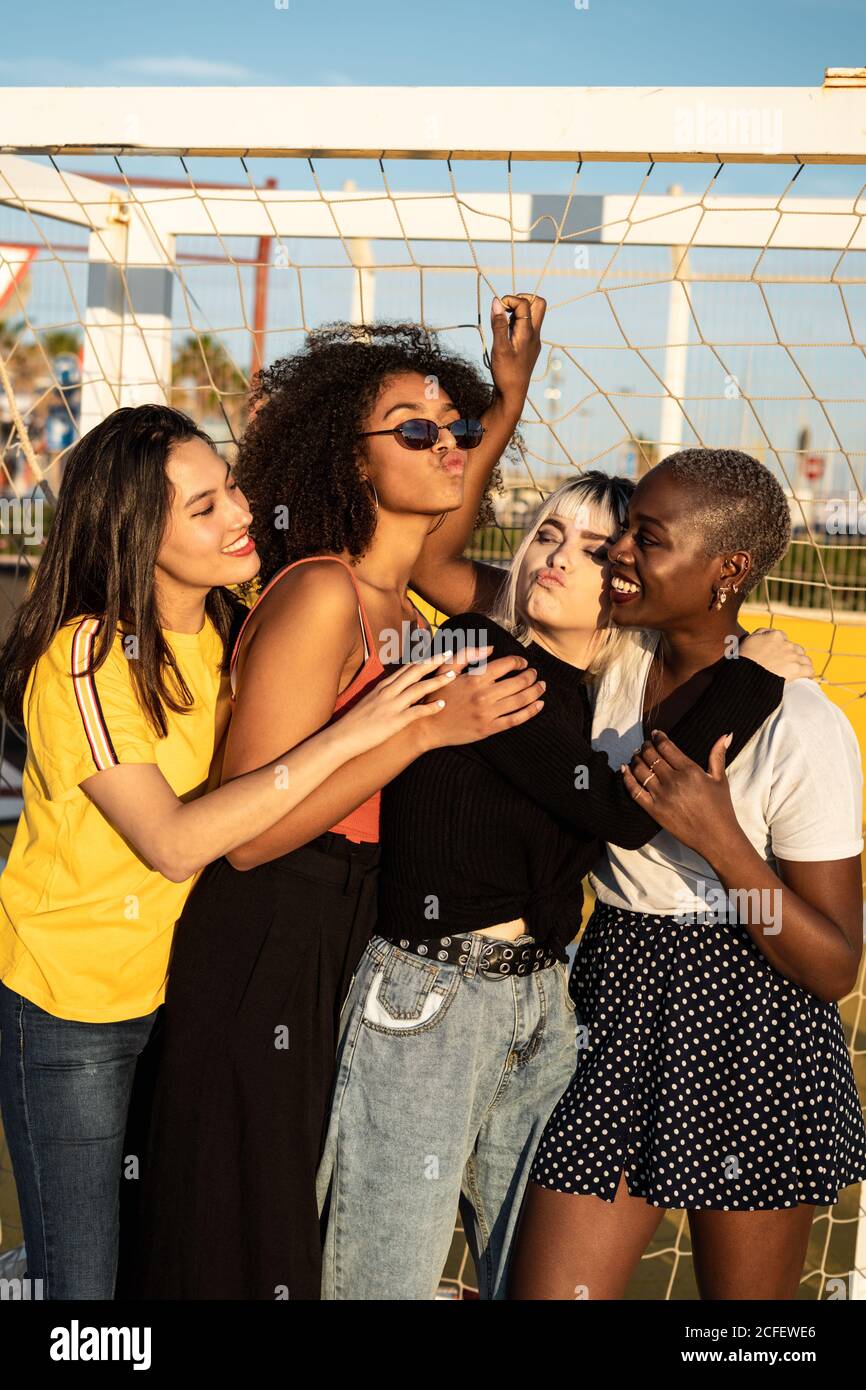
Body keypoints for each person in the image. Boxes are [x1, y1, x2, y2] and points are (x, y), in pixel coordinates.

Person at [129, 297, 551, 1300]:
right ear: (354, 461)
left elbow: (517, 574)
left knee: (309, 1233)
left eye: (457, 428)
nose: (448, 443)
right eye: (415, 430)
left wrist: (508, 395)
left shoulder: (408, 604)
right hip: (271, 937)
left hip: (356, 930)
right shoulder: (319, 594)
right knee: (244, 1232)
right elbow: (249, 839)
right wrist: (418, 732)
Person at [315, 466, 812, 1300]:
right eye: (547, 534)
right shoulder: (475, 651)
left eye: (592, 549)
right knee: (384, 1278)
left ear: (621, 582)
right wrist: (748, 675)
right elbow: (621, 813)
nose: (556, 558)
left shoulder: (601, 708)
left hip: (547, 1005)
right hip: (428, 999)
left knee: (535, 1281)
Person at [0, 403, 461, 1301]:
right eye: (203, 506)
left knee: (157, 1248)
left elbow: (423, 549)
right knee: (83, 1282)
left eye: (234, 487)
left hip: (181, 992)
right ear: (136, 530)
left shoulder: (229, 623)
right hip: (73, 1011)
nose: (240, 513)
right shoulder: (86, 659)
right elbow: (173, 843)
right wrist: (348, 736)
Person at [510, 449, 866, 1301]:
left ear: (728, 571)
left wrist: (724, 841)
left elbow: (833, 964)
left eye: (648, 539)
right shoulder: (613, 664)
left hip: (753, 1023)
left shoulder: (803, 730)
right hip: (617, 1000)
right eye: (624, 533)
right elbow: (451, 572)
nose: (620, 554)